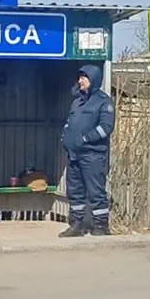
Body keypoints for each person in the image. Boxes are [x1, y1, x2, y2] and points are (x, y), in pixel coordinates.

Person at [59, 65, 115, 237]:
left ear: (93, 80)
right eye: (80, 77)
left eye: (84, 78)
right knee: (75, 192)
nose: (80, 81)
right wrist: (65, 137)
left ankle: (101, 226)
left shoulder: (103, 102)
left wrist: (85, 139)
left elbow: (106, 128)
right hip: (74, 155)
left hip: (93, 155)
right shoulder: (77, 101)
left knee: (95, 191)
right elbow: (70, 122)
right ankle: (77, 224)